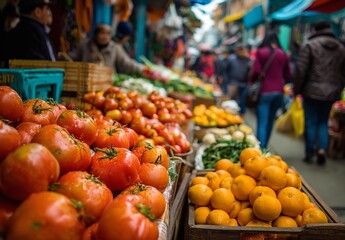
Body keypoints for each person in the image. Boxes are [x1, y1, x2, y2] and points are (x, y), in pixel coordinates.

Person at [294, 20, 345, 165]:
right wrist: (339, 88)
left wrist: (297, 90)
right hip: (331, 92)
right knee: (323, 121)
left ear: (315, 30)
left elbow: (301, 70)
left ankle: (310, 152)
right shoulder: (341, 48)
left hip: (311, 90)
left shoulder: (310, 45)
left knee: (310, 121)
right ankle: (322, 148)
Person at [250, 31, 291, 149]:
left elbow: (256, 71)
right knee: (270, 120)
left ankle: (260, 149)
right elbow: (288, 74)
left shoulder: (261, 52)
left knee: (262, 121)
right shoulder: (283, 54)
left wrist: (252, 82)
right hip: (279, 91)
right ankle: (265, 146)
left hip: (264, 91)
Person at [72, 23, 145, 75]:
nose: (105, 37)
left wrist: (143, 69)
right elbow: (73, 59)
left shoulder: (115, 48)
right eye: (102, 33)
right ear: (96, 34)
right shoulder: (84, 45)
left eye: (108, 34)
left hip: (107, 83)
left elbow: (127, 63)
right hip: (87, 81)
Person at [223, 44, 251, 116]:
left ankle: (241, 116)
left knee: (242, 102)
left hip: (244, 84)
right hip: (233, 83)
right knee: (231, 101)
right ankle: (230, 115)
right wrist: (227, 81)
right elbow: (225, 70)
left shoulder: (248, 60)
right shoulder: (232, 59)